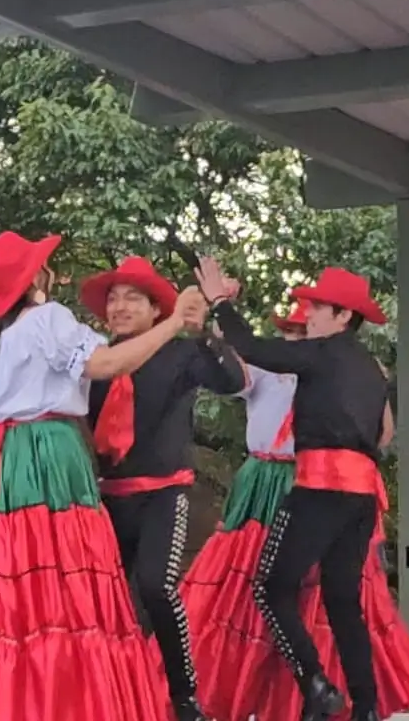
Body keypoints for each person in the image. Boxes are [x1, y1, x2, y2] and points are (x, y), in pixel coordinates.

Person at [0, 231, 200, 721]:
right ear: (35, 278)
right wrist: (174, 321)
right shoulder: (48, 320)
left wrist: (7, 402)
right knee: (59, 588)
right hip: (48, 456)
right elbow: (107, 362)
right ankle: (57, 702)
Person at [183, 300, 409, 721]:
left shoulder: (320, 354)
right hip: (358, 492)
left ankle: (315, 683)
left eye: (316, 312)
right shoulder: (368, 367)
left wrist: (221, 302)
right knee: (342, 598)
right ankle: (364, 706)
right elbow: (379, 434)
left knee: (270, 586)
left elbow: (249, 345)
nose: (307, 321)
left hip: (319, 486)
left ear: (342, 318)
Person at [79, 256, 242, 721]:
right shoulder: (96, 358)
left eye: (133, 298)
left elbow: (232, 381)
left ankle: (185, 698)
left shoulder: (182, 352)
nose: (120, 306)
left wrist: (206, 328)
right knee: (105, 601)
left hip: (163, 493)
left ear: (156, 310)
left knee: (156, 585)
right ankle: (115, 695)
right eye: (113, 298)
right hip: (107, 497)